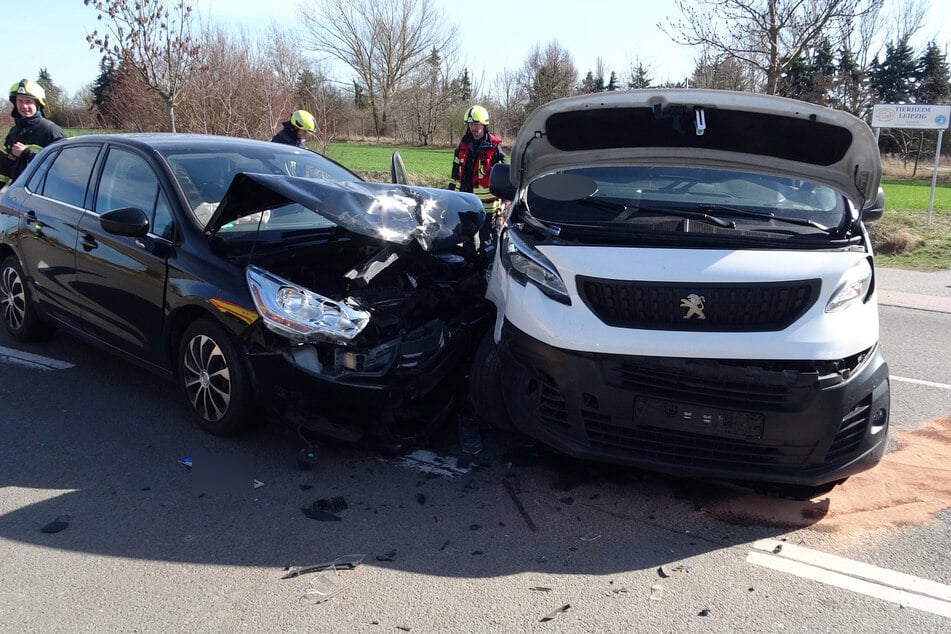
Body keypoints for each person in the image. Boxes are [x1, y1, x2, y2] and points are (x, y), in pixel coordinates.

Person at [448, 105, 506, 245]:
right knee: (466, 237)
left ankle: (487, 266)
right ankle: (469, 263)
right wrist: (450, 193)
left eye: (476, 124)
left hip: (487, 205)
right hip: (465, 199)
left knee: (487, 239)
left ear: (484, 125)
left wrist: (505, 199)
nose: (473, 128)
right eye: (470, 124)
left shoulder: (494, 146)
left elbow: (503, 173)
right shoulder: (463, 144)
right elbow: (456, 170)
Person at [1, 79, 66, 187]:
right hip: (16, 193)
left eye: (28, 102)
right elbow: (3, 169)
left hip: (42, 195)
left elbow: (61, 167)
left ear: (37, 104)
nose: (24, 106)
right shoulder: (14, 131)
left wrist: (27, 154)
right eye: (20, 101)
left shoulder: (51, 130)